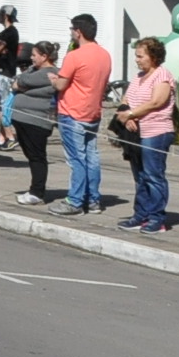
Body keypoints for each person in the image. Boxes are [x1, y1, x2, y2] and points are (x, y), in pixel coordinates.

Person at [48, 14, 111, 217]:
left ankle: (75, 201)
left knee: (77, 160)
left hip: (72, 112)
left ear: (78, 32)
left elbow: (61, 84)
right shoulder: (104, 55)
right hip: (93, 113)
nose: (71, 33)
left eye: (72, 29)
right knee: (91, 158)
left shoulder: (74, 56)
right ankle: (93, 200)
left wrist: (53, 79)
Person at [115, 38, 176, 234]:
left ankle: (157, 218)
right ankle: (140, 214)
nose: (137, 60)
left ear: (154, 56)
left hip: (156, 131)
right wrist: (126, 117)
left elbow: (157, 102)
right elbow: (125, 100)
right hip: (136, 132)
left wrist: (132, 114)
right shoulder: (138, 76)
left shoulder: (162, 75)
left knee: (153, 175)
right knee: (140, 176)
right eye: (136, 56)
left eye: (141, 56)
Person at [9, 41, 59, 205]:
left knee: (37, 157)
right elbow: (18, 81)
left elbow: (23, 81)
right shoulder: (35, 70)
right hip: (23, 119)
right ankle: (34, 189)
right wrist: (20, 84)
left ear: (44, 56)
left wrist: (21, 86)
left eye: (34, 55)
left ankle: (37, 192)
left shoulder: (49, 73)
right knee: (31, 156)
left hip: (36, 121)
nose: (31, 58)